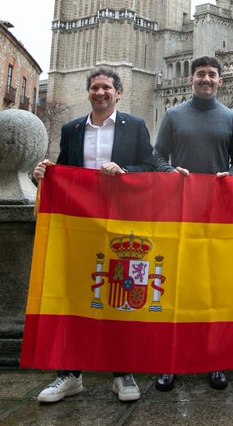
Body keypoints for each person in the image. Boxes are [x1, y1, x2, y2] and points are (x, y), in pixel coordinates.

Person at [31, 67, 164, 404]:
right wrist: (43, 175)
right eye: (95, 88)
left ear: (118, 93)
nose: (100, 93)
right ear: (88, 92)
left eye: (106, 88)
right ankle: (70, 375)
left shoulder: (133, 126)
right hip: (81, 227)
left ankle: (123, 373)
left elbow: (149, 167)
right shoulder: (72, 129)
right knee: (76, 297)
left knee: (122, 296)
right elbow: (63, 170)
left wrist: (124, 171)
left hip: (122, 225)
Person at [152, 55, 233, 392]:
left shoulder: (232, 117)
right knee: (177, 285)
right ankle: (171, 362)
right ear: (192, 79)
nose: (206, 79)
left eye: (212, 75)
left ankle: (214, 361)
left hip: (217, 214)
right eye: (201, 74)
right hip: (180, 211)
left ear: (220, 81)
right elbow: (157, 154)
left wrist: (230, 176)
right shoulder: (174, 115)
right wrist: (169, 173)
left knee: (214, 287)